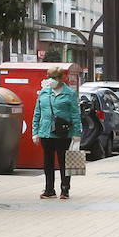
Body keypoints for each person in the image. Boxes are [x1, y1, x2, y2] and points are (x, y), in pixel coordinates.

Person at [31, 66, 82, 199]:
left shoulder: (69, 93)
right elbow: (37, 113)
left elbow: (75, 115)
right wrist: (35, 132)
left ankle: (65, 189)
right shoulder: (44, 93)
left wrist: (77, 133)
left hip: (63, 132)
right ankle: (49, 189)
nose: (51, 80)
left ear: (60, 78)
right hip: (46, 132)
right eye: (49, 77)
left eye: (53, 77)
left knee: (64, 161)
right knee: (48, 162)